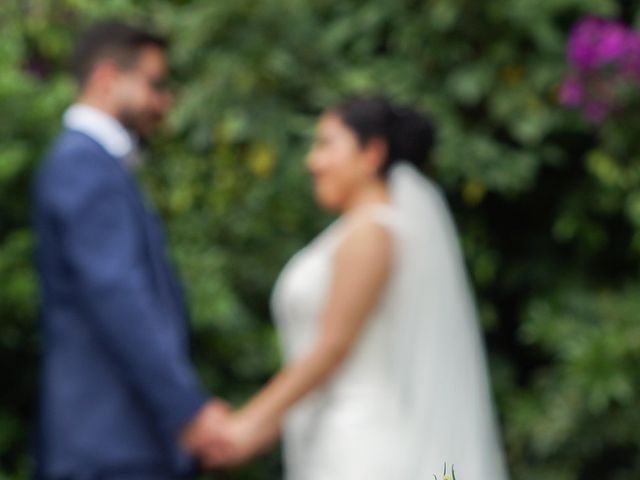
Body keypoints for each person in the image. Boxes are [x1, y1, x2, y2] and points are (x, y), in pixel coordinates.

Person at [199, 96, 510, 479]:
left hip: (361, 446)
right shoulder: (357, 231)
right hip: (330, 439)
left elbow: (332, 348)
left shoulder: (372, 232)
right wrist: (257, 431)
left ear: (372, 153)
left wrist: (244, 425)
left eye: (326, 144)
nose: (313, 161)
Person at [33, 20, 226, 479]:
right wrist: (189, 411)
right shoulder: (84, 163)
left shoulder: (94, 164)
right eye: (153, 84)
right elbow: (119, 294)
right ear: (105, 79)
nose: (163, 101)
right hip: (110, 443)